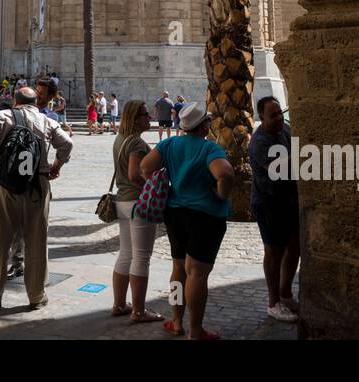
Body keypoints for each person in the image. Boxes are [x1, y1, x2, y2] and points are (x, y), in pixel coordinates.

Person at [139, 102, 233, 340]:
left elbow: (145, 167)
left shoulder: (169, 144)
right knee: (198, 274)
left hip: (176, 213)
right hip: (206, 215)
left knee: (178, 269)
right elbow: (225, 173)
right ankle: (196, 329)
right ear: (204, 125)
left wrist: (165, 184)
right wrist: (220, 193)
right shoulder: (209, 149)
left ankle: (177, 321)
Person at [0, 85, 73, 311]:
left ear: (15, 102)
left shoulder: (3, 116)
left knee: (0, 239)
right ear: (35, 101)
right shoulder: (46, 120)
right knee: (37, 241)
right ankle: (36, 296)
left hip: (7, 185)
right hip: (38, 185)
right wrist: (56, 166)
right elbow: (67, 143)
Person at [250, 95, 300, 323]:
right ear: (262, 117)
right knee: (274, 251)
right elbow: (277, 168)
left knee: (294, 246)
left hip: (288, 200)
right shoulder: (260, 141)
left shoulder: (285, 130)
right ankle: (273, 302)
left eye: (280, 113)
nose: (279, 118)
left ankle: (286, 294)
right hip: (268, 202)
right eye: (274, 115)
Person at [112, 100, 161, 323]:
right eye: (145, 114)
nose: (149, 117)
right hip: (137, 202)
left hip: (122, 201)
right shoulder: (138, 144)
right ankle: (139, 311)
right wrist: (151, 189)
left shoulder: (120, 139)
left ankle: (119, 304)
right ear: (135, 118)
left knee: (126, 253)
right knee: (141, 256)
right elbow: (134, 174)